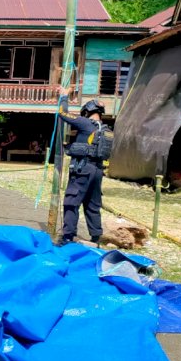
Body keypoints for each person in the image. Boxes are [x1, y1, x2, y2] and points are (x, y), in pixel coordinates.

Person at [57, 86, 107, 245]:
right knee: (92, 205)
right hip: (98, 171)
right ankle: (96, 238)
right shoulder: (106, 129)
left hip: (83, 169)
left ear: (87, 111)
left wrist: (64, 96)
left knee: (71, 202)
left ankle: (67, 237)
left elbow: (62, 113)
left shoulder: (85, 123)